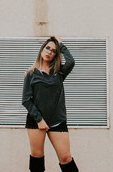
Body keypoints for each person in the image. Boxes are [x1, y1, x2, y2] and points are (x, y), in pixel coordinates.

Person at [22, 36, 80, 172]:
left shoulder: (59, 73)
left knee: (66, 159)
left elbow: (71, 62)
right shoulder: (31, 73)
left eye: (54, 50)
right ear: (42, 50)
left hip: (57, 121)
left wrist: (61, 45)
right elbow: (26, 100)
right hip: (37, 121)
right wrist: (39, 119)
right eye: (47, 48)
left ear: (56, 55)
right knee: (37, 158)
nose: (49, 52)